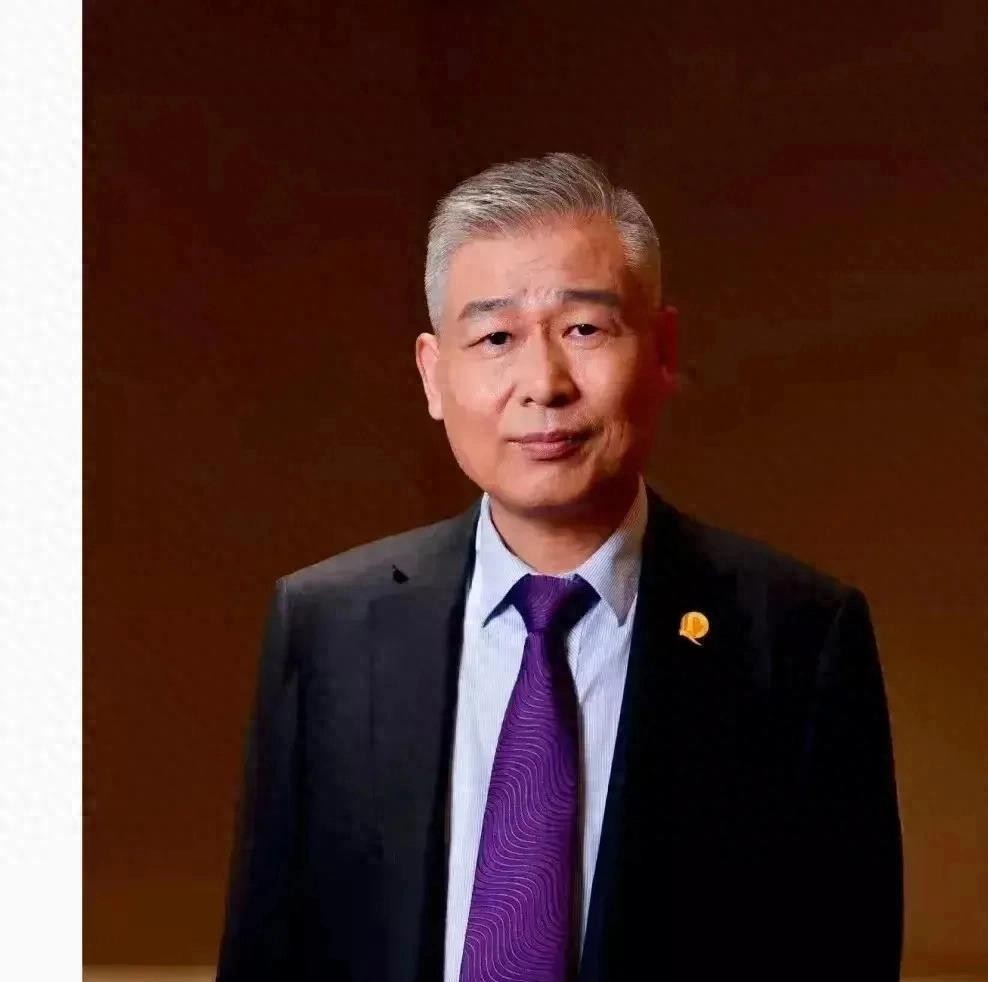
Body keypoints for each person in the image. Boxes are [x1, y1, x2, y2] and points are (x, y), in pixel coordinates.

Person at [215, 152, 903, 982]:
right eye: (495, 338)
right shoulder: (327, 626)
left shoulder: (796, 638)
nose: (543, 383)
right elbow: (267, 952)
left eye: (584, 329)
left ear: (663, 349)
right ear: (433, 374)